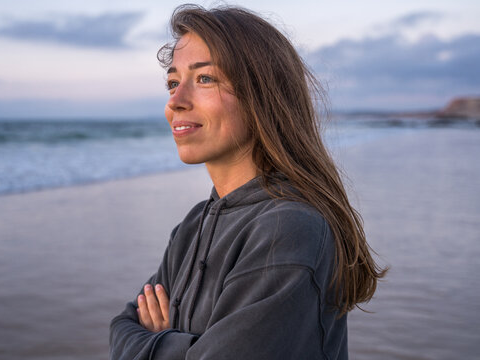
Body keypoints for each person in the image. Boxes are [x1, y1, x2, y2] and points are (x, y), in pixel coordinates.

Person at [110, 4, 386, 359]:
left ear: (261, 95)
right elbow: (121, 326)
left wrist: (159, 340)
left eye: (205, 78)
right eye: (173, 83)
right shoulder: (194, 225)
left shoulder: (289, 228)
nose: (175, 101)